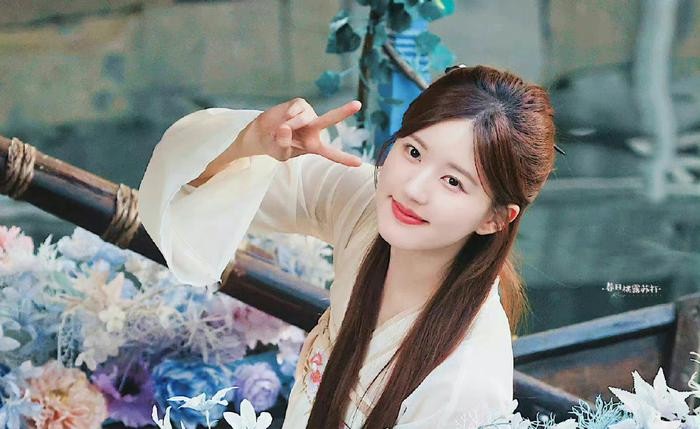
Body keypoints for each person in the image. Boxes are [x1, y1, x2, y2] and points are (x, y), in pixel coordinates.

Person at [137, 64, 558, 429]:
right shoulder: (368, 206)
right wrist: (254, 141)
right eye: (413, 151)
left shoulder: (466, 379)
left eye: (453, 181)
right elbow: (192, 182)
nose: (413, 188)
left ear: (495, 218)